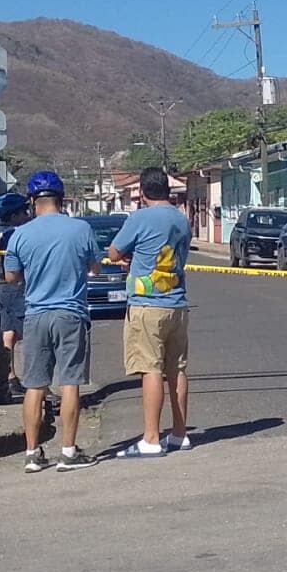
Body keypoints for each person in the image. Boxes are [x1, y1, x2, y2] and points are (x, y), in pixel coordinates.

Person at [3, 171, 100, 473]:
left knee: (35, 385)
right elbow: (94, 267)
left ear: (33, 202)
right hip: (71, 314)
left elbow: (11, 277)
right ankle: (68, 453)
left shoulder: (20, 234)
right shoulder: (81, 228)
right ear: (62, 199)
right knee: (69, 382)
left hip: (35, 316)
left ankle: (32, 454)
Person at [107, 167, 193, 458]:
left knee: (150, 369)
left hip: (147, 303)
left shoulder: (139, 218)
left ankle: (151, 438)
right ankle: (180, 433)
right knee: (177, 369)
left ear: (142, 193)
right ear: (167, 191)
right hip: (177, 303)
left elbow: (115, 252)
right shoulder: (181, 219)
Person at [0, 192, 32, 396]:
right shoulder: (12, 235)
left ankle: (9, 376)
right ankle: (30, 379)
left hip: (2, 288)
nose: (27, 215)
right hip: (16, 287)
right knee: (28, 332)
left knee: (9, 332)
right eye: (23, 211)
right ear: (13, 215)